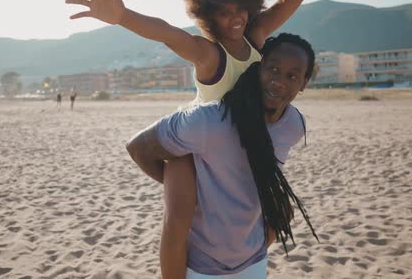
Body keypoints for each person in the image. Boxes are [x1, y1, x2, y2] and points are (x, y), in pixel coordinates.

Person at [66, 0, 345, 277]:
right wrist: (122, 16)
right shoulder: (209, 54)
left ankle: (250, 258)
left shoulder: (256, 38)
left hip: (244, 145)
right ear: (207, 13)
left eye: (240, 7)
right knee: (180, 222)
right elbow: (169, 33)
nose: (236, 17)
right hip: (199, 146)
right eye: (224, 12)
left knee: (280, 209)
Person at [127, 33, 318, 278]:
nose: (279, 81)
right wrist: (184, 189)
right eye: (273, 69)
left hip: (254, 261)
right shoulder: (209, 121)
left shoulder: (294, 125)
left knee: (285, 207)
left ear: (304, 83)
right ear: (259, 67)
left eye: (292, 76)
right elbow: (137, 147)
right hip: (201, 267)